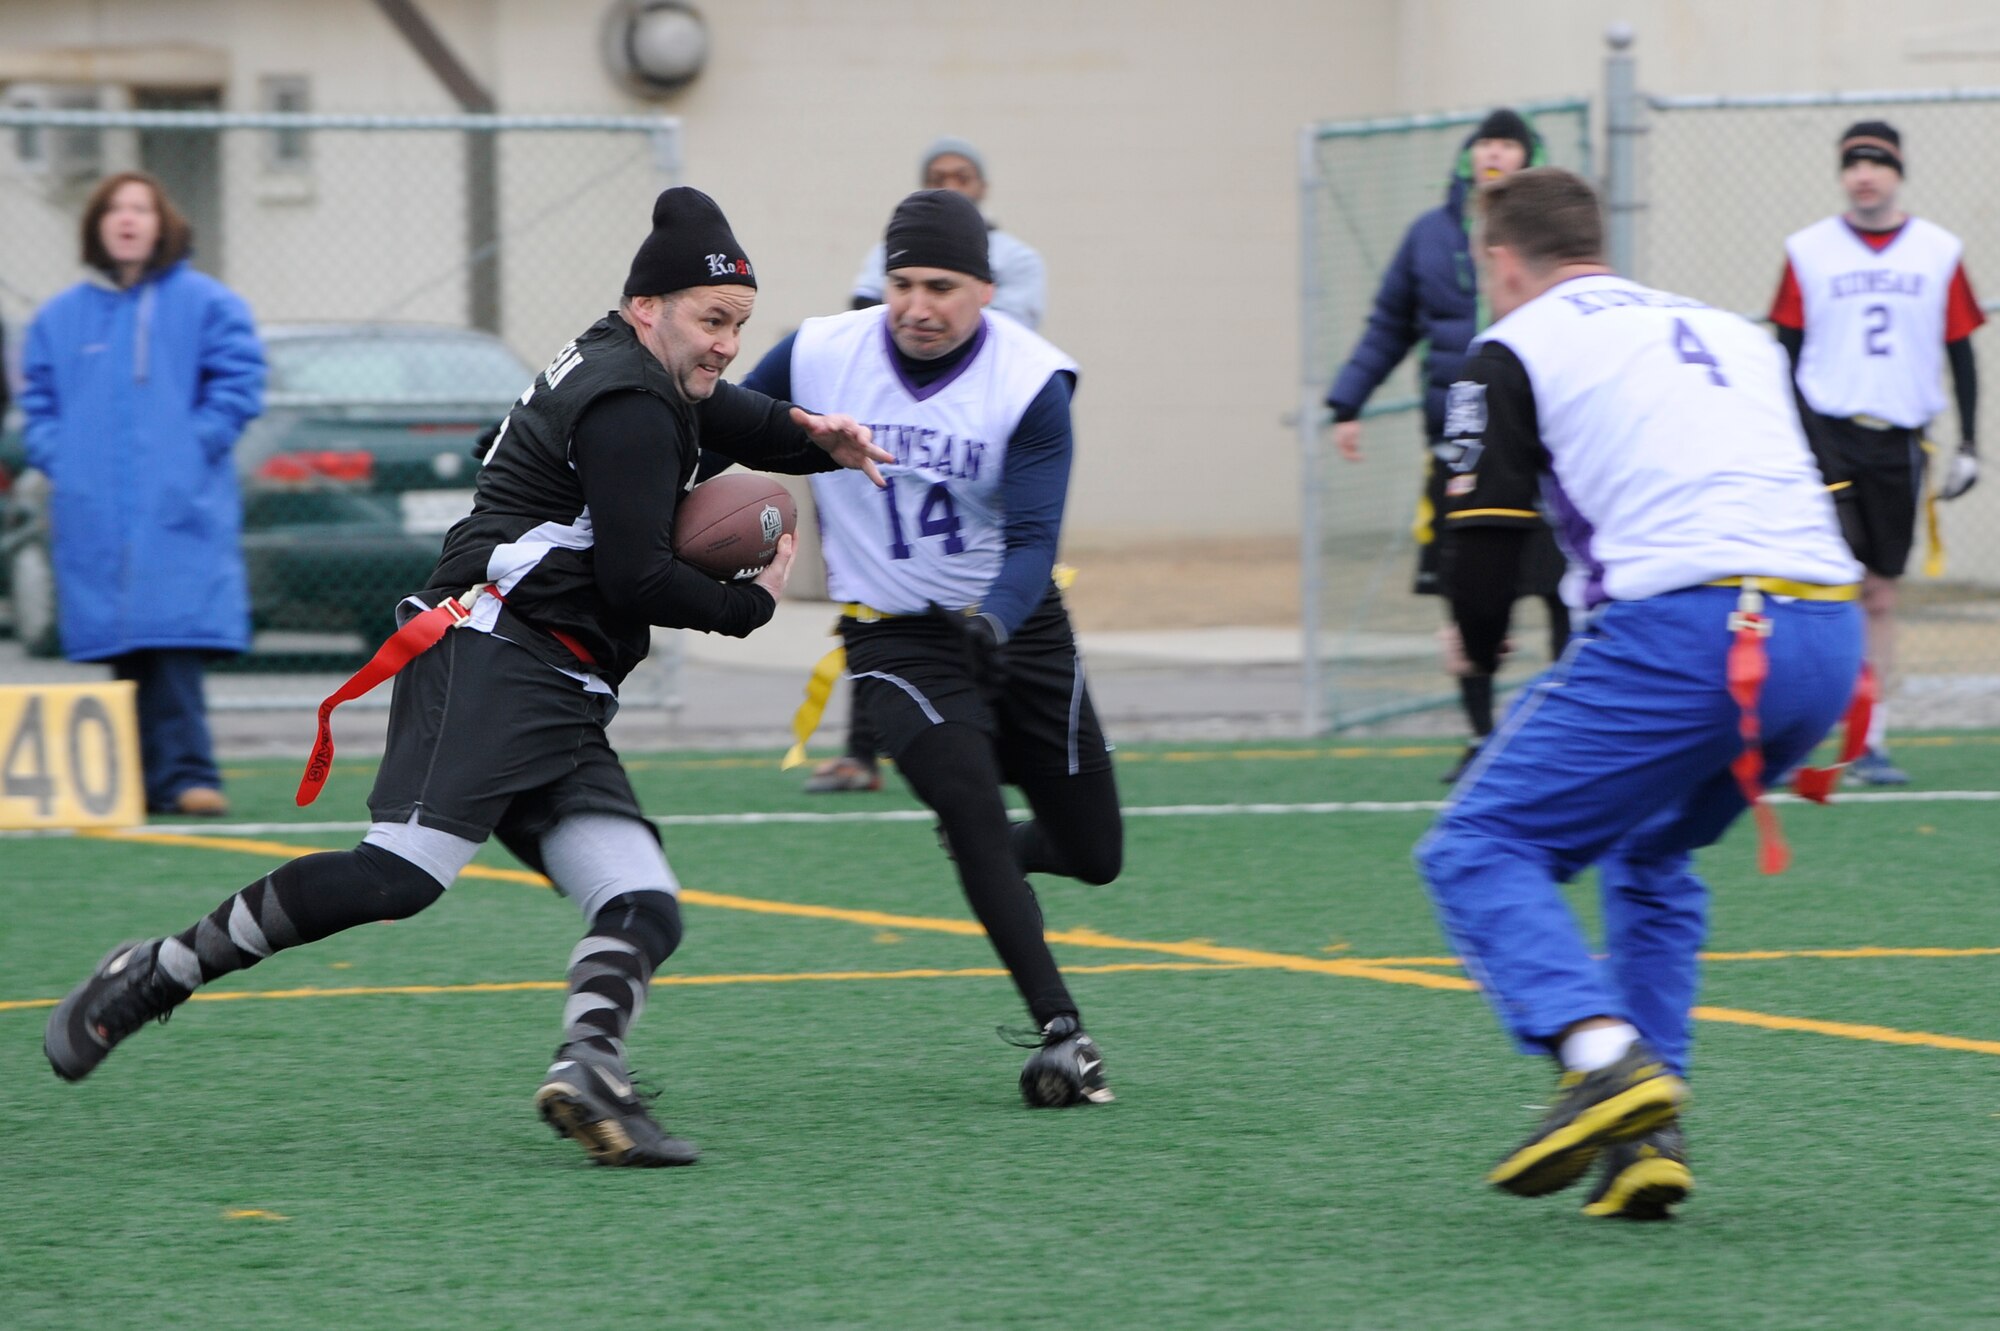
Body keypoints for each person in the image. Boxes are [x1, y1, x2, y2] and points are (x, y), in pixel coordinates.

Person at [42, 187, 892, 1169]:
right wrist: (750, 605)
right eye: (713, 321)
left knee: (640, 900)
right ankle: (157, 969)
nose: (726, 346)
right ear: (647, 307)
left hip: (556, 676)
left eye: (739, 325)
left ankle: (590, 1067)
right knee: (398, 874)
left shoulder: (634, 362)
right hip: (494, 651)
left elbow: (727, 410)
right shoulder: (629, 403)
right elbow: (636, 576)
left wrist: (812, 437)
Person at [1416, 169, 1863, 1220]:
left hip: (1693, 631)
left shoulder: (1511, 346)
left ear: (1500, 260)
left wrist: (1474, 643)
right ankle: (1646, 1136)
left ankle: (1602, 1056)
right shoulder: (1735, 333)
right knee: (1651, 849)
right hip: (1824, 634)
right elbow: (1833, 482)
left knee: (1476, 845)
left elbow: (1484, 534)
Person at [745, 189, 1122, 1107]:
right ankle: (1063, 1031)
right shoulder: (821, 350)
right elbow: (712, 423)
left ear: (985, 289)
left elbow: (1033, 542)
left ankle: (986, 850)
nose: (917, 305)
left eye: (941, 287)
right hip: (893, 634)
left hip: (1013, 626)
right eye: (902, 283)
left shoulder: (1030, 380)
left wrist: (993, 623)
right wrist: (577, 446)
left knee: (1093, 851)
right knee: (969, 799)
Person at [1324, 109, 1570, 782]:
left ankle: (1563, 734)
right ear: (1468, 157)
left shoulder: (1551, 238)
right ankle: (1480, 734)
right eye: (1486, 142)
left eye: (1509, 143)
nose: (1495, 152)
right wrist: (1347, 402)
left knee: (1562, 590)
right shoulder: (1430, 236)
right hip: (1459, 444)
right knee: (1469, 590)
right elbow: (1389, 323)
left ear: (1529, 158)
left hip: (1544, 448)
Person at [805, 136, 1052, 795]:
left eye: (962, 174)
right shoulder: (888, 252)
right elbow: (870, 319)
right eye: (938, 174)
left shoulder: (1017, 258)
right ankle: (863, 749)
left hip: (975, 444)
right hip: (895, 437)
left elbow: (1003, 333)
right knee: (879, 591)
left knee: (1001, 593)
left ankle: (1006, 739)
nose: (952, 183)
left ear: (983, 187)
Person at [20, 171, 266, 816]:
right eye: (114, 209)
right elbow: (37, 403)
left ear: (162, 224)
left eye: (140, 208)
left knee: (172, 639)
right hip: (94, 506)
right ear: (96, 226)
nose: (127, 219)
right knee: (124, 646)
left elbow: (239, 383)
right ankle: (134, 779)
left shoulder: (206, 303)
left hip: (176, 502)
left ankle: (188, 774)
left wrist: (194, 445)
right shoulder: (61, 317)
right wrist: (61, 457)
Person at [1768, 120, 1983, 786]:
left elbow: (1961, 352)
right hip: (1825, 436)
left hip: (1898, 440)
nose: (1864, 174)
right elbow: (1784, 351)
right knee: (1817, 584)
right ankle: (1795, 730)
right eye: (1853, 163)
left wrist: (1969, 443)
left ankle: (1869, 738)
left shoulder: (1938, 251)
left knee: (1881, 592)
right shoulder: (1808, 250)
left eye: (1876, 162)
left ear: (1898, 171)